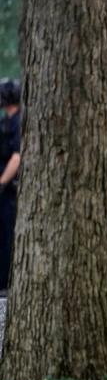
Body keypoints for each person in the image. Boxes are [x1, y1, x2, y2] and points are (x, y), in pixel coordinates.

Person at [0, 79, 21, 295]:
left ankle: (6, 283)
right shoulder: (6, 121)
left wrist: (2, 182)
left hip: (8, 192)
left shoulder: (18, 122)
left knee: (7, 235)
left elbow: (17, 156)